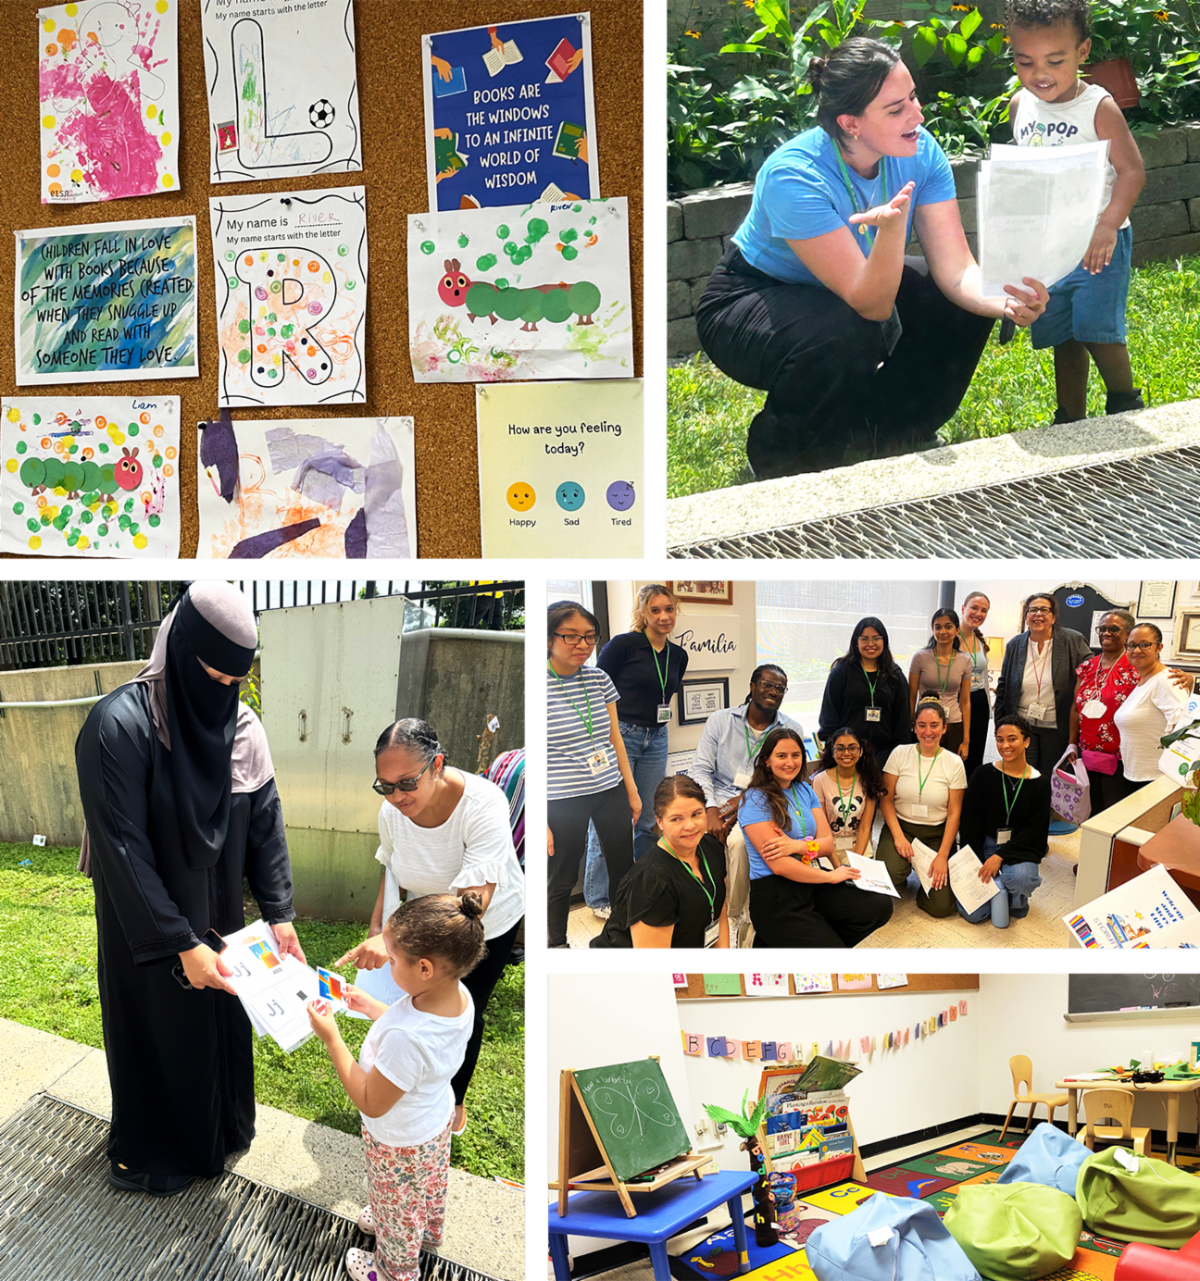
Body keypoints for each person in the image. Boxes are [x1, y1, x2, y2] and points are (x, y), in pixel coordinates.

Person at [695, 36, 1048, 479]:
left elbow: (957, 269)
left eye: (913, 98)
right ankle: (779, 456)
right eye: (896, 109)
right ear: (851, 123)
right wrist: (892, 232)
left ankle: (892, 430)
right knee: (845, 331)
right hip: (753, 296)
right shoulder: (793, 176)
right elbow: (873, 305)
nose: (917, 116)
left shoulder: (920, 150)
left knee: (958, 304)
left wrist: (1003, 300)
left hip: (849, 284)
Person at [74, 581, 302, 1197]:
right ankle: (152, 1151)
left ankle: (222, 1131)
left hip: (221, 908)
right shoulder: (119, 725)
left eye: (237, 683)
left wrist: (279, 912)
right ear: (179, 651)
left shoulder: (242, 724)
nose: (224, 696)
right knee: (159, 1025)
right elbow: (123, 848)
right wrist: (180, 942)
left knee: (218, 1020)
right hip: (145, 919)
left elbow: (265, 822)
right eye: (213, 677)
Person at [333, 718, 523, 1135]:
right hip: (419, 924)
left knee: (458, 1010)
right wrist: (376, 931)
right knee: (414, 1006)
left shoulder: (483, 804)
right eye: (385, 785)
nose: (396, 796)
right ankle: (398, 1084)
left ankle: (451, 1101)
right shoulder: (391, 812)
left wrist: (397, 938)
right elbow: (391, 875)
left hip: (482, 923)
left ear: (437, 764)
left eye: (406, 783)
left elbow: (472, 903)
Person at [307, 893, 484, 1281]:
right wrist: (371, 1006)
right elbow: (422, 1039)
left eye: (391, 958)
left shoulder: (406, 1038)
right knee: (429, 1183)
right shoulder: (458, 997)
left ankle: (392, 1270)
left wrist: (333, 1040)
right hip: (433, 1123)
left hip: (397, 1142)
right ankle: (429, 1230)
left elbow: (372, 1101)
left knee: (397, 1206)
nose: (385, 964)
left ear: (424, 968)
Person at [1006, 0, 1146, 424]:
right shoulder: (1020, 106)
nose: (1039, 74)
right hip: (1050, 245)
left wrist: (1107, 225)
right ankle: (1069, 417)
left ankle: (1124, 403)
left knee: (1096, 330)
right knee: (1062, 333)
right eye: (1025, 61)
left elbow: (1132, 170)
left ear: (1082, 52)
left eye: (1055, 60)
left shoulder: (1098, 107)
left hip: (1096, 242)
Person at [740, 727, 892, 948]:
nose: (790, 762)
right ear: (766, 761)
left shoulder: (804, 789)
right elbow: (781, 865)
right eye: (781, 756)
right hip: (777, 894)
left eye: (796, 755)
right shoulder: (755, 799)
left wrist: (796, 846)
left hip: (809, 877)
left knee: (879, 906)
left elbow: (827, 843)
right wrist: (829, 875)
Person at [546, 601, 641, 948]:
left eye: (589, 637)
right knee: (561, 876)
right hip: (561, 798)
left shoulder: (599, 678)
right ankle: (557, 943)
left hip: (609, 787)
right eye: (571, 636)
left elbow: (614, 738)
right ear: (549, 639)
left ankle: (619, 936)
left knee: (623, 867)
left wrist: (630, 790)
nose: (582, 645)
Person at [690, 665, 804, 937]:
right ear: (753, 686)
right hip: (718, 798)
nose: (773, 692)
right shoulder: (720, 720)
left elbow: (789, 775)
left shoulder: (791, 728)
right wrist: (710, 809)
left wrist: (746, 799)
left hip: (762, 799)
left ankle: (736, 914)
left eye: (780, 688)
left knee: (740, 842)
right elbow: (701, 769)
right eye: (768, 685)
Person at [594, 582, 690, 862]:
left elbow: (667, 692)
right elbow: (597, 691)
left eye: (669, 609)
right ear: (643, 613)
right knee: (611, 820)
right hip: (621, 735)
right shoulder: (623, 645)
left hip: (657, 738)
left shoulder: (678, 655)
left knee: (648, 817)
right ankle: (601, 898)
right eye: (655, 610)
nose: (664, 616)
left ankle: (640, 883)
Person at [591, 775, 730, 949]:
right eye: (676, 819)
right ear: (660, 821)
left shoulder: (711, 848)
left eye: (696, 814)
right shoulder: (652, 881)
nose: (690, 826)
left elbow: (720, 910)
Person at [957, 716, 1052, 927]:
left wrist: (1001, 855)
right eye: (999, 740)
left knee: (1022, 879)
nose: (1005, 746)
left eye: (1012, 739)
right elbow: (970, 824)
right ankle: (997, 889)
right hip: (984, 843)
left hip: (1019, 847)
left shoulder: (1040, 783)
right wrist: (978, 862)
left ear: (1026, 741)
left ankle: (1016, 900)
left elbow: (1034, 830)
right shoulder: (982, 774)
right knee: (975, 915)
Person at [877, 698, 968, 914]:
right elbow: (886, 800)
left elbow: (955, 813)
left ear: (944, 728)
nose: (928, 731)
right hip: (901, 827)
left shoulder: (954, 762)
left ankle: (922, 880)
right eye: (922, 725)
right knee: (889, 872)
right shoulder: (900, 753)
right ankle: (901, 873)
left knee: (942, 907)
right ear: (914, 727)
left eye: (934, 725)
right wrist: (898, 837)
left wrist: (943, 856)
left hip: (936, 833)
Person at [1113, 624, 1190, 786]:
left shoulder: (1167, 680)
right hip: (1136, 774)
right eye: (1132, 645)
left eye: (1145, 644)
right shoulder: (1144, 681)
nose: (1137, 650)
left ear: (1159, 648)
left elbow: (1186, 728)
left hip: (1156, 778)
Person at [908, 608, 972, 759]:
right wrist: (910, 727)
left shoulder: (965, 660)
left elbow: (965, 702)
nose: (942, 631)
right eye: (938, 627)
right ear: (933, 630)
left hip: (953, 724)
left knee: (948, 772)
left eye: (948, 626)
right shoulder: (920, 657)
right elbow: (911, 697)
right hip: (925, 724)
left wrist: (966, 741)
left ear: (957, 630)